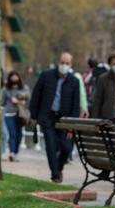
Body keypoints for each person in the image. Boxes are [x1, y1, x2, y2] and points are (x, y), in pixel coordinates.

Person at [29, 52, 80, 183]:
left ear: (71, 65)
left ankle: (58, 167)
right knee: (51, 146)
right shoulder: (46, 76)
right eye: (62, 62)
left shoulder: (74, 81)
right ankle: (55, 175)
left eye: (67, 63)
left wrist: (71, 126)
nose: (64, 65)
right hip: (48, 117)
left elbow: (76, 106)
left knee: (67, 148)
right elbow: (36, 96)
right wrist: (34, 116)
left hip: (65, 120)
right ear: (58, 62)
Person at [0, 71, 30, 162]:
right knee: (12, 134)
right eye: (12, 77)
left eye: (16, 76)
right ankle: (11, 153)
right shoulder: (6, 89)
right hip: (9, 114)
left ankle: (16, 153)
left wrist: (20, 101)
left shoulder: (24, 88)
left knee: (19, 135)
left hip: (20, 114)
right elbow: (2, 102)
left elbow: (28, 98)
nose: (14, 79)